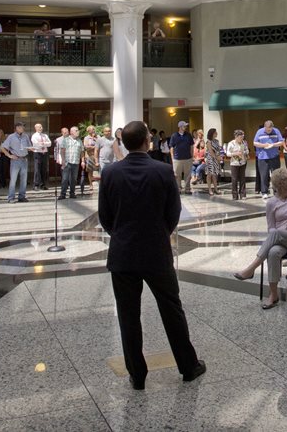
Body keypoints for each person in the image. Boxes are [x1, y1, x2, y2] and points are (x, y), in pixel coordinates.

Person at [98, 120, 204, 386]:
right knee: (171, 309)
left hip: (123, 254)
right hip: (156, 252)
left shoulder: (111, 173)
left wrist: (121, 235)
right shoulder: (162, 171)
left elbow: (105, 216)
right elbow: (174, 212)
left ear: (123, 142)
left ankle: (137, 375)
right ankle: (188, 366)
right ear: (148, 141)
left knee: (128, 315)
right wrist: (159, 233)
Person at [234, 167, 287, 309]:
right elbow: (271, 228)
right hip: (281, 239)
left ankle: (251, 269)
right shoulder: (271, 203)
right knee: (273, 252)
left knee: (276, 234)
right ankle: (273, 294)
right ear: (282, 185)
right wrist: (281, 232)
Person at [2, 122, 33, 203]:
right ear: (17, 128)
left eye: (23, 127)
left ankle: (21, 197)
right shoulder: (11, 137)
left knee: (23, 180)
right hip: (15, 160)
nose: (23, 128)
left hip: (24, 160)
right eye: (22, 127)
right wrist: (9, 155)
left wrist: (32, 148)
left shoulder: (25, 136)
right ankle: (11, 198)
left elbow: (29, 147)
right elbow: (3, 147)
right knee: (13, 180)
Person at [254, 120, 284, 198]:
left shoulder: (276, 131)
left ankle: (276, 191)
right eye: (267, 130)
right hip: (263, 157)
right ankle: (264, 192)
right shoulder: (259, 132)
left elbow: (281, 142)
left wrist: (273, 145)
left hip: (274, 156)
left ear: (272, 127)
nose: (268, 131)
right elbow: (255, 143)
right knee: (264, 175)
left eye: (270, 130)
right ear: (264, 127)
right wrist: (263, 145)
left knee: (276, 175)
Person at [58, 126, 83, 200]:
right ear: (72, 132)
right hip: (67, 162)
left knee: (74, 179)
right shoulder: (66, 140)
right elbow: (62, 150)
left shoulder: (79, 141)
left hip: (76, 162)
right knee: (65, 179)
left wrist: (83, 161)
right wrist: (62, 161)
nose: (78, 131)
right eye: (76, 130)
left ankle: (72, 193)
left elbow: (82, 151)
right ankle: (63, 194)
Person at [169, 120, 193, 194]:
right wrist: (173, 158)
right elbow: (171, 147)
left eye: (185, 126)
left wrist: (191, 156)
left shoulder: (188, 135)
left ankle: (187, 188)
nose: (185, 127)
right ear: (180, 127)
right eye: (184, 126)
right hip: (177, 158)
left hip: (187, 158)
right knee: (177, 175)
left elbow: (191, 146)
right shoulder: (174, 136)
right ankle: (178, 188)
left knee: (188, 174)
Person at [226, 129, 249, 200]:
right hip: (234, 163)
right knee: (234, 179)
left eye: (242, 137)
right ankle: (234, 195)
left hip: (242, 162)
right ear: (236, 136)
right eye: (240, 137)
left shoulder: (244, 143)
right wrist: (235, 153)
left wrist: (244, 153)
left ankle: (243, 194)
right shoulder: (231, 143)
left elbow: (247, 150)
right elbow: (227, 153)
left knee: (242, 179)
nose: (241, 138)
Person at [31, 122, 51, 190]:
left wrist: (42, 143)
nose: (41, 128)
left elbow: (50, 143)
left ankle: (43, 184)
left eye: (41, 127)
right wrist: (44, 144)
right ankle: (36, 184)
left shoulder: (45, 135)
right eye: (39, 127)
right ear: (36, 128)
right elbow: (36, 144)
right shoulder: (34, 136)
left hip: (44, 153)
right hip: (38, 153)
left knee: (44, 169)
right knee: (37, 169)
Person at [205, 128, 222, 196]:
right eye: (215, 132)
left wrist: (219, 157)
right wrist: (216, 157)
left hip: (216, 159)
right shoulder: (208, 142)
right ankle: (210, 189)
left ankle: (216, 189)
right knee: (209, 174)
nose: (216, 133)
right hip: (210, 159)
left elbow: (219, 150)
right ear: (212, 134)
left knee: (215, 174)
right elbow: (211, 152)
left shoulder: (217, 141)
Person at [82, 126, 98, 194]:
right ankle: (90, 184)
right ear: (88, 131)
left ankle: (97, 183)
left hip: (97, 156)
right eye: (92, 129)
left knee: (97, 170)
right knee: (90, 171)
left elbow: (100, 144)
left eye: (94, 129)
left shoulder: (98, 137)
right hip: (89, 156)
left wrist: (95, 138)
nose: (93, 130)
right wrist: (95, 147)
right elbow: (86, 147)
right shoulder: (86, 138)